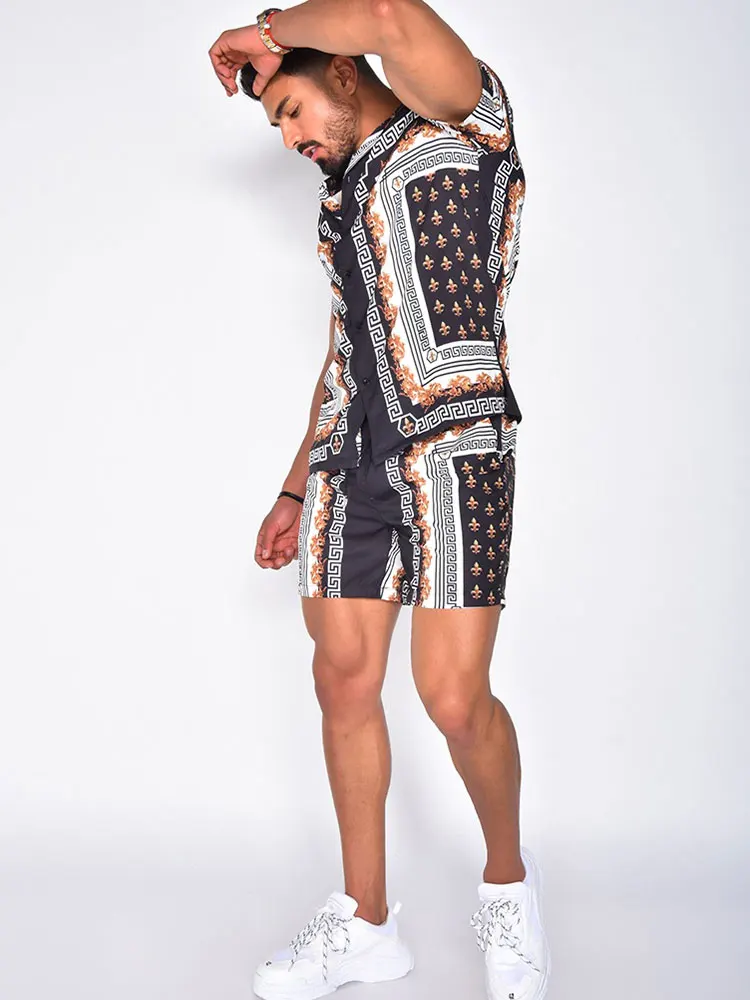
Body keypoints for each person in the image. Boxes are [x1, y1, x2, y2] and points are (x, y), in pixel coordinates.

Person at [208, 4, 550, 998]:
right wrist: (293, 482)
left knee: (454, 699)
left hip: (456, 446)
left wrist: (267, 30)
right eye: (276, 125)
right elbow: (348, 348)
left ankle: (508, 886)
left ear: (344, 73)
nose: (289, 138)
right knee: (344, 681)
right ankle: (365, 924)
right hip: (349, 461)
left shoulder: (463, 122)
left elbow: (391, 15)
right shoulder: (340, 195)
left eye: (289, 109)